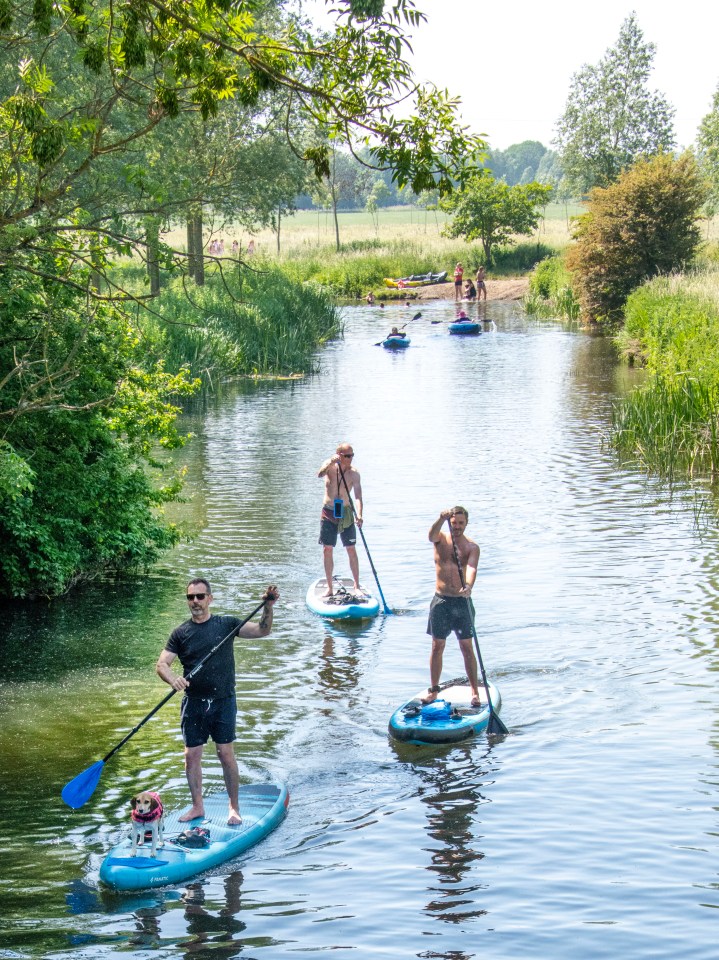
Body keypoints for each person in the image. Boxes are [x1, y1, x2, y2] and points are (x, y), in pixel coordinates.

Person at [156, 579, 279, 825]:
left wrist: (268, 606)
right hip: (194, 703)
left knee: (225, 754)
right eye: (191, 597)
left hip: (223, 701)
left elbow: (262, 630)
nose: (195, 602)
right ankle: (197, 807)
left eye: (200, 597)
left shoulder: (227, 625)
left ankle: (234, 808)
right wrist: (173, 680)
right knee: (191, 756)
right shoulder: (181, 633)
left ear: (209, 598)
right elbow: (162, 664)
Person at [423, 507, 481, 707]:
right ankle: (434, 691)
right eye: (454, 523)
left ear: (466, 524)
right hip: (440, 601)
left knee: (466, 647)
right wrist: (440, 518)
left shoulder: (472, 547)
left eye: (461, 524)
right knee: (437, 646)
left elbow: (472, 567)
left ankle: (474, 692)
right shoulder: (440, 539)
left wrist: (469, 586)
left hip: (461, 601)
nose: (457, 527)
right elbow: (430, 535)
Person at [318, 443, 363, 596]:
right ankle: (330, 588)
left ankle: (357, 586)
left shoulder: (354, 474)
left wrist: (360, 514)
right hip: (329, 511)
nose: (350, 459)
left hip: (345, 512)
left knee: (351, 548)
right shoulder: (329, 465)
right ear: (339, 455)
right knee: (327, 549)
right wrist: (331, 462)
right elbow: (319, 474)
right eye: (347, 456)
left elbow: (357, 497)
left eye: (352, 455)